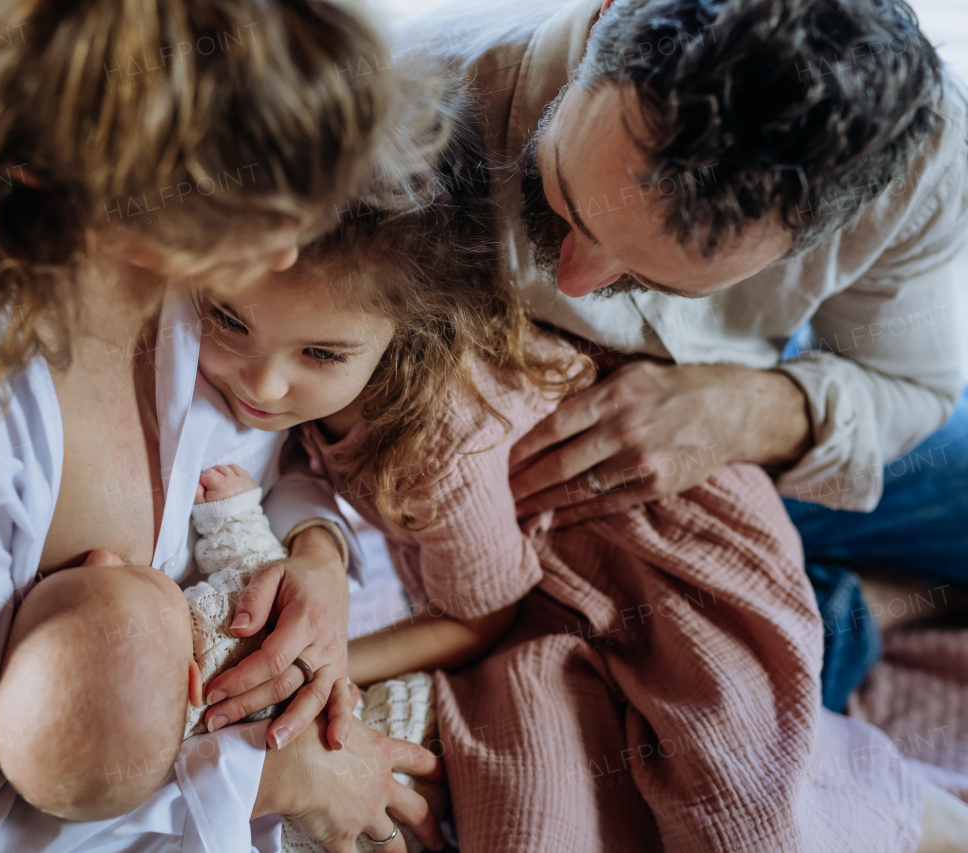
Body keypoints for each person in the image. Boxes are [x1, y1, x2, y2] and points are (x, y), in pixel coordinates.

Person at [0, 0, 452, 850]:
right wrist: (274, 777)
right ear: (57, 164)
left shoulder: (204, 280)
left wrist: (316, 553)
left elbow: (267, 461)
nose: (291, 249)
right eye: (248, 190)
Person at [184, 195, 968, 851]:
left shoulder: (437, 450)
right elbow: (299, 475)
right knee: (553, 792)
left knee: (737, 796)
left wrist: (337, 665)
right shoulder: (308, 376)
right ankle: (873, 601)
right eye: (227, 319)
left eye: (320, 354)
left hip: (667, 542)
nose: (263, 382)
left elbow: (482, 614)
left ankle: (922, 813)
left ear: (403, 330)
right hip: (558, 563)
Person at [393, 0, 968, 709]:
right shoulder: (412, 97)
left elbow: (909, 385)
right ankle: (871, 606)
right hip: (535, 481)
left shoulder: (923, 158)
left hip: (765, 417)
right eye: (563, 198)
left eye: (652, 277)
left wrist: (750, 413)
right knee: (693, 697)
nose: (573, 279)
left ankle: (849, 602)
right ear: (608, 12)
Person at [0, 461, 444, 853]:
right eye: (134, 580)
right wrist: (231, 509)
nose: (102, 557)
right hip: (391, 732)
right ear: (193, 679)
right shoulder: (210, 628)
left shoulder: (153, 759)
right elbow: (251, 564)